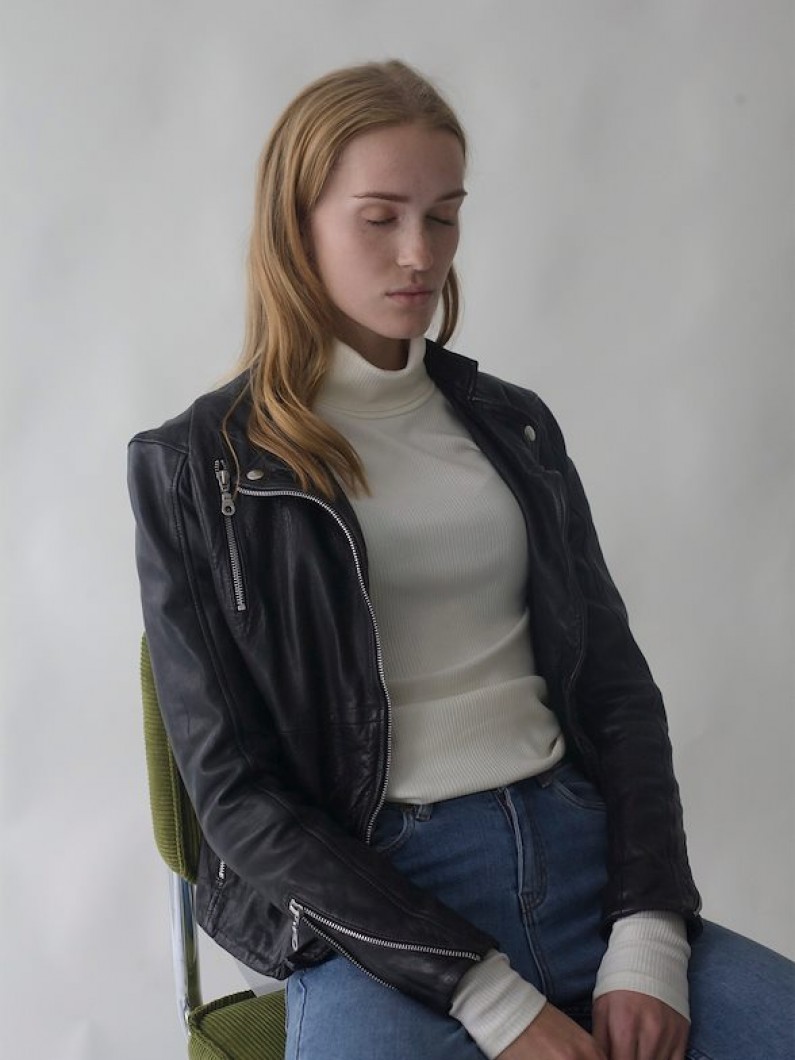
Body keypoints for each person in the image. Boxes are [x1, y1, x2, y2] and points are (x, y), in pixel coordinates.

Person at [128, 60, 794, 1060]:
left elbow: (616, 691)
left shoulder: (512, 427)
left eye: (443, 217)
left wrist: (650, 933)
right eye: (380, 217)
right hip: (379, 904)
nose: (420, 254)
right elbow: (234, 790)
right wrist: (488, 999)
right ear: (295, 226)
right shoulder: (195, 467)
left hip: (584, 860)